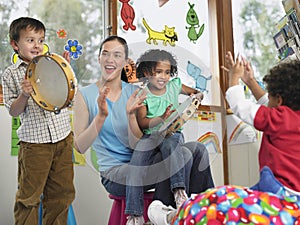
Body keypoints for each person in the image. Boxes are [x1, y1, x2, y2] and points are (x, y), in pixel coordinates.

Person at [73, 35, 215, 225]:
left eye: (117, 55)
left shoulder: (137, 92)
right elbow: (79, 147)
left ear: (124, 61)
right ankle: (164, 215)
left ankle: (204, 210)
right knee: (180, 156)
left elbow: (136, 142)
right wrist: (100, 117)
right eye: (105, 54)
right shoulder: (85, 95)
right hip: (115, 173)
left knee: (197, 149)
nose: (110, 59)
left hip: (143, 160)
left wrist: (131, 115)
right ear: (99, 58)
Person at [1, 17, 75, 225]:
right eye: (30, 40)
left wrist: (63, 72)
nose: (37, 45)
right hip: (35, 145)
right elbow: (13, 111)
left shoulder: (51, 64)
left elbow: (66, 98)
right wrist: (24, 95)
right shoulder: (11, 74)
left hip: (62, 138)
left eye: (40, 40)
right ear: (15, 44)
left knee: (61, 195)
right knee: (29, 198)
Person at [126, 49, 203, 218]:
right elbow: (143, 122)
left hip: (172, 133)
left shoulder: (174, 86)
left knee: (172, 148)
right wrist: (160, 118)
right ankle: (134, 215)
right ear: (147, 73)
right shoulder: (142, 94)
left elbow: (193, 92)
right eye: (158, 72)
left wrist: (197, 96)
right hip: (150, 136)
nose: (164, 77)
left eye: (167, 72)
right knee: (135, 167)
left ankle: (179, 192)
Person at [224, 51, 300, 198]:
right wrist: (250, 81)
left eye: (270, 95)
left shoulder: (280, 119)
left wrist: (234, 78)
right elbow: (268, 104)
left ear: (279, 100)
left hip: (280, 191)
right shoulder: (290, 118)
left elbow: (240, 106)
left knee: (228, 198)